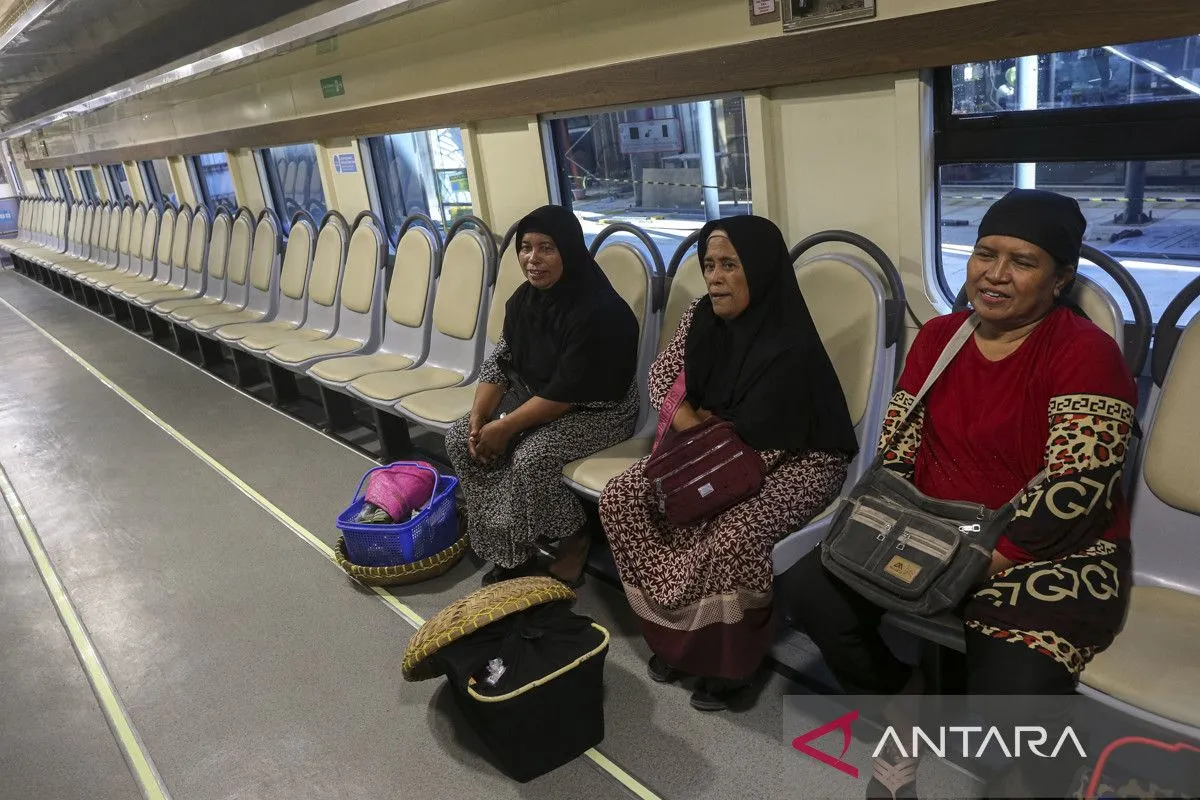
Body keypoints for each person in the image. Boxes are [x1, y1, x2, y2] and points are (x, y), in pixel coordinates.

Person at [783, 189, 1137, 799]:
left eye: (1022, 262)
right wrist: (916, 542)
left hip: (1043, 550)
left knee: (1013, 698)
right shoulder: (939, 338)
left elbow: (1077, 487)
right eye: (984, 254)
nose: (995, 275)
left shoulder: (1085, 352)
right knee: (809, 587)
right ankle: (902, 702)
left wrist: (977, 563)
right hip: (934, 525)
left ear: (1059, 279)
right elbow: (897, 447)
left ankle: (1042, 778)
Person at [599, 215, 858, 712]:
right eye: (709, 264)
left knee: (729, 533)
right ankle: (677, 635)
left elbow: (766, 443)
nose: (714, 277)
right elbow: (661, 375)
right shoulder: (700, 315)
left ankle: (734, 663)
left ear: (758, 270)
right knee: (622, 498)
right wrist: (694, 430)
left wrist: (699, 452)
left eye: (729, 265)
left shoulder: (790, 346)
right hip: (708, 445)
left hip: (798, 460)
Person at [445, 206, 639, 587]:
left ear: (568, 250)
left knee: (531, 456)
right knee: (459, 438)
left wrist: (505, 429)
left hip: (600, 410)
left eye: (547, 248)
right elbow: (501, 361)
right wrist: (479, 418)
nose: (533, 259)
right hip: (539, 397)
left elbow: (565, 394)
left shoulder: (599, 311)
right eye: (526, 247)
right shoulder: (524, 301)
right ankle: (509, 550)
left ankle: (574, 537)